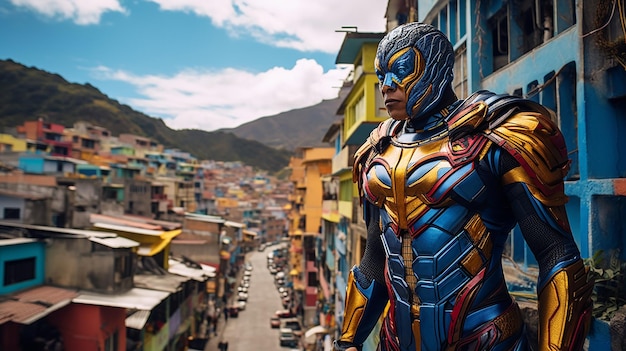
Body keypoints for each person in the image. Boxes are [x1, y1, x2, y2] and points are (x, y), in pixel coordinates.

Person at [334, 22, 594, 351]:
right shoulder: (376, 152)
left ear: (434, 65)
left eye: (401, 70)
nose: (387, 86)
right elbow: (374, 260)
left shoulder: (495, 136)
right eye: (382, 75)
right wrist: (347, 341)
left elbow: (558, 256)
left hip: (484, 338)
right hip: (395, 341)